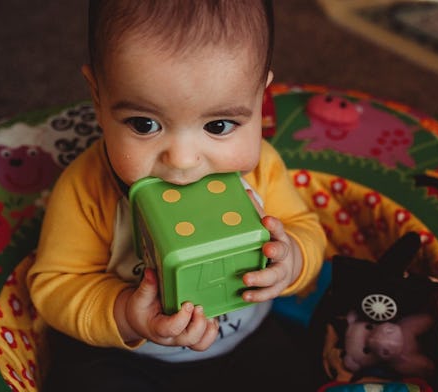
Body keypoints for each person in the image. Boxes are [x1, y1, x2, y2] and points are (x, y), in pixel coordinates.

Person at [27, 1, 327, 390]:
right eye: (144, 124)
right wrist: (125, 314)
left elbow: (307, 229)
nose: (183, 161)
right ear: (98, 99)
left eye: (219, 125)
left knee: (303, 373)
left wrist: (290, 261)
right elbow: (55, 285)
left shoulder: (262, 168)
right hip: (129, 358)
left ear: (260, 99)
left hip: (245, 342)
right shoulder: (86, 186)